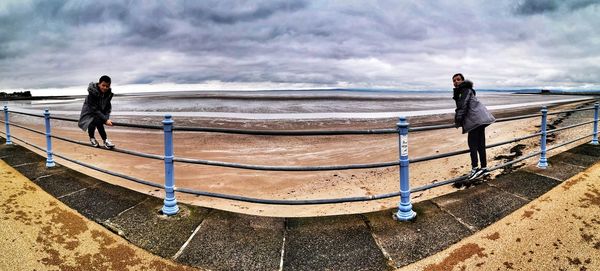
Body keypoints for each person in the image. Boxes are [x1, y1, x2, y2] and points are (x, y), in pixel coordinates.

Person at [452, 73, 495, 184]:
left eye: (458, 80)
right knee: (481, 144)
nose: (456, 82)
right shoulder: (467, 90)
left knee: (472, 145)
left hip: (476, 121)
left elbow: (462, 106)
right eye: (454, 80)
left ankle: (475, 169)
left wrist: (458, 121)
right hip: (481, 119)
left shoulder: (464, 90)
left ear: (463, 81)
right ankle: (484, 168)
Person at [78, 75, 116, 149]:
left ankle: (103, 140)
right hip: (89, 112)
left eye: (107, 86)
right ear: (99, 84)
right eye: (103, 85)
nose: (105, 88)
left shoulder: (108, 94)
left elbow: (108, 108)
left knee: (98, 120)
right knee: (95, 120)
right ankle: (96, 139)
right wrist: (105, 119)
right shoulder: (92, 94)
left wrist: (106, 119)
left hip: (98, 113)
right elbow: (94, 109)